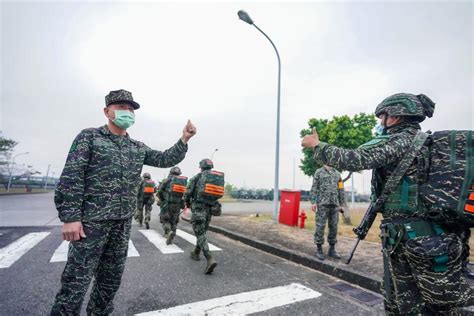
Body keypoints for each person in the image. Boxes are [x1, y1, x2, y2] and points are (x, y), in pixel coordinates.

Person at [302, 93, 472, 314]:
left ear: (395, 116)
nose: (381, 121)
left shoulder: (399, 140)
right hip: (426, 234)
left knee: (410, 303)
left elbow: (355, 159)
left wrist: (316, 145)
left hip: (410, 235)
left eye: (383, 116)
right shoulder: (424, 143)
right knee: (428, 302)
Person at [51, 89, 196, 315]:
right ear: (107, 111)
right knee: (75, 283)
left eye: (131, 109)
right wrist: (70, 218)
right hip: (91, 223)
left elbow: (164, 158)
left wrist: (184, 139)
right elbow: (72, 176)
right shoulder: (89, 137)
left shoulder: (136, 147)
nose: (127, 112)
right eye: (121, 108)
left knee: (109, 283)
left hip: (121, 224)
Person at [184, 159, 220, 274]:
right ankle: (196, 252)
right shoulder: (216, 178)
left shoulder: (197, 177)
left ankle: (209, 258)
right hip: (210, 208)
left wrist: (187, 203)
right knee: (202, 231)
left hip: (199, 208)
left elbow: (188, 193)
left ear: (201, 167)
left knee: (199, 233)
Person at [310, 165, 345, 260]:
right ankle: (319, 249)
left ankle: (332, 249)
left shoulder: (338, 174)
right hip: (322, 204)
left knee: (334, 226)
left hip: (334, 205)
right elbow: (314, 187)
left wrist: (342, 204)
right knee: (320, 226)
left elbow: (341, 189)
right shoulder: (318, 172)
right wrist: (313, 202)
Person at [156, 166, 185, 244]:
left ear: (170, 172)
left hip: (167, 204)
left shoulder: (166, 180)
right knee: (174, 221)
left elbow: (159, 192)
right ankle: (172, 235)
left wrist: (162, 200)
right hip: (177, 205)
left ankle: (168, 232)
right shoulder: (182, 182)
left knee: (165, 220)